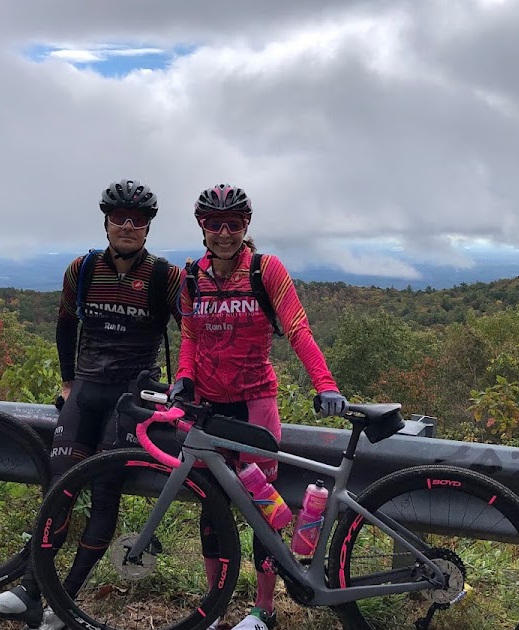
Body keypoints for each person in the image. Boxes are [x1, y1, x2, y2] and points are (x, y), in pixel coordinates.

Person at [0, 179, 181, 629]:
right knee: (59, 489)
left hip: (132, 398)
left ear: (148, 227)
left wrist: (185, 387)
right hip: (85, 391)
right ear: (105, 221)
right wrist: (67, 381)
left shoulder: (165, 276)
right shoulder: (82, 269)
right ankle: (29, 591)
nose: (128, 225)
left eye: (138, 219)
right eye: (119, 217)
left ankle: (64, 604)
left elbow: (194, 333)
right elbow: (66, 326)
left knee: (104, 494)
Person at [174, 184, 349, 630]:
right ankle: (214, 607)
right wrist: (183, 378)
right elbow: (190, 336)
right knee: (211, 508)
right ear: (202, 227)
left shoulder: (264, 270)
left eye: (234, 224)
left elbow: (297, 328)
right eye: (215, 224)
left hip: (256, 406)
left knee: (262, 510)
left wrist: (325, 384)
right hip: (207, 408)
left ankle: (263, 611)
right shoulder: (191, 275)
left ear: (246, 226)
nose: (225, 233)